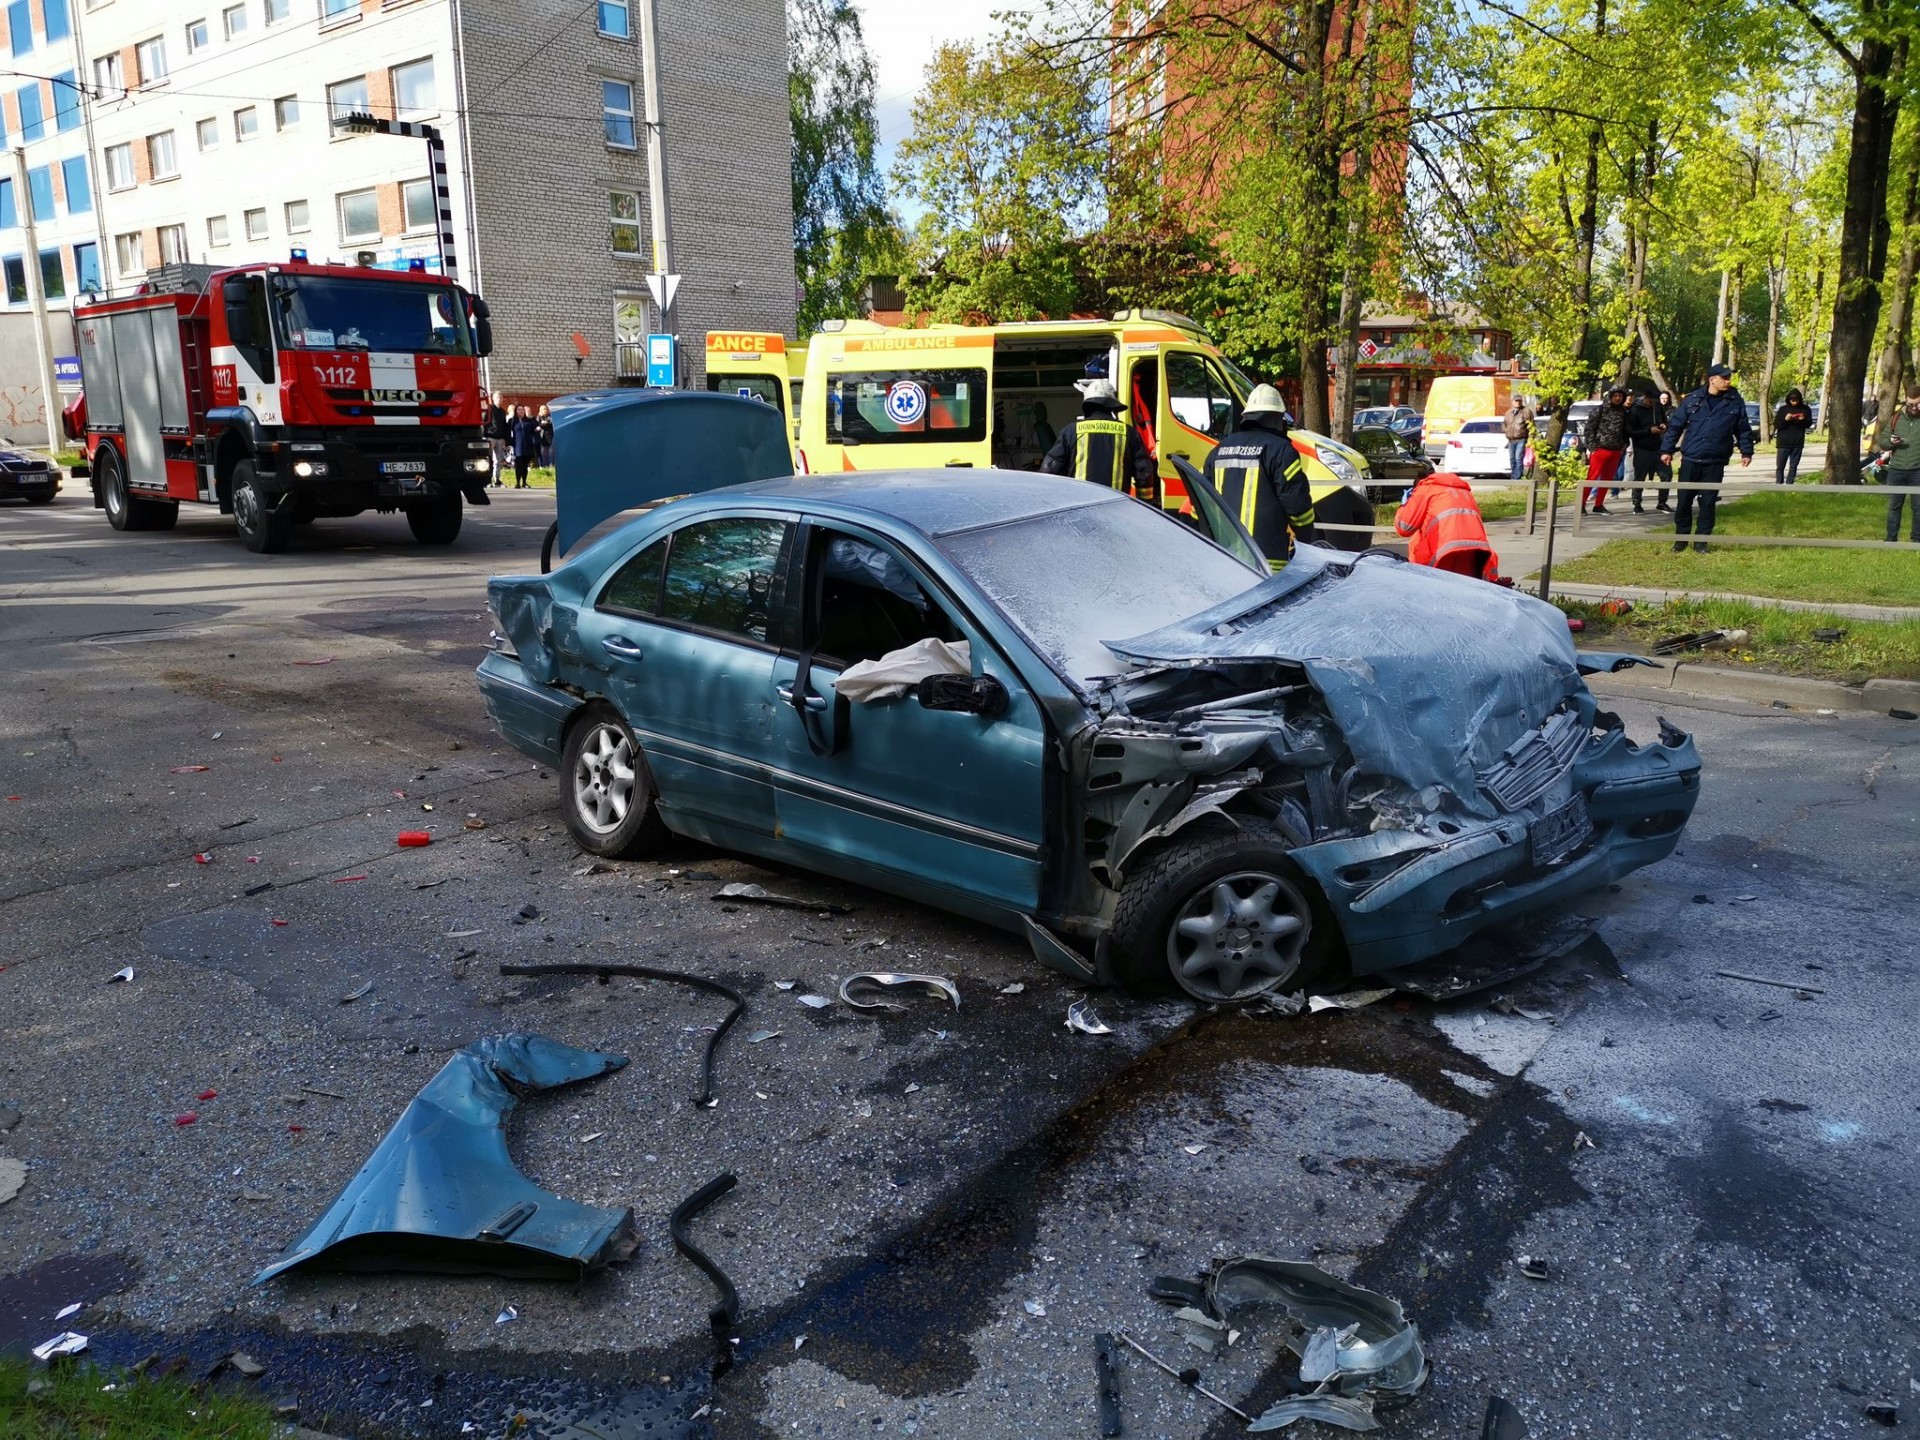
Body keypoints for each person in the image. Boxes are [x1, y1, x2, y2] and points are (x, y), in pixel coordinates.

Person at [1203, 384, 1317, 569]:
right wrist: (1307, 541)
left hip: (1224, 563)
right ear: (1278, 418)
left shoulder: (1219, 450)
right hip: (1267, 566)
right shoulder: (1281, 451)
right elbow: (1299, 509)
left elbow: (1200, 507)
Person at [1661, 364, 1755, 552]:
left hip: (1715, 460)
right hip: (1691, 458)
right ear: (1712, 379)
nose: (1728, 381)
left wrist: (1746, 452)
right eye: (1724, 378)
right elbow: (1675, 426)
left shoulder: (1735, 401)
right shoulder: (1692, 399)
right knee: (1684, 501)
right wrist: (1667, 450)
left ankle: (1701, 542)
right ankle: (1680, 540)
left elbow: (1743, 429)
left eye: (1729, 378)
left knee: (1708, 502)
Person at [1041, 379, 1159, 504]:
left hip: (1080, 509)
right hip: (1117, 509)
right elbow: (1144, 472)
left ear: (1087, 405)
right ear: (1112, 406)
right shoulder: (1128, 433)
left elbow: (1049, 470)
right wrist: (1145, 504)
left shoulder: (1070, 432)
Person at [1394, 469, 1503, 582]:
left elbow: (1404, 527)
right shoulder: (1463, 491)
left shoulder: (1424, 488)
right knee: (1463, 590)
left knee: (1440, 592)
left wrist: (1405, 505)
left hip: (1443, 551)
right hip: (1475, 552)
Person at [1877, 382, 1920, 543]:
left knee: (1918, 508)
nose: (1914, 408)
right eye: (1910, 404)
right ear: (1906, 402)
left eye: (1918, 404)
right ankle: (1891, 539)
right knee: (1894, 507)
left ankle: (1916, 540)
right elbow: (1882, 440)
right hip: (1896, 470)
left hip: (1918, 470)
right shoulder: (1896, 417)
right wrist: (1891, 441)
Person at [1581, 386, 1631, 514]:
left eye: (1620, 396)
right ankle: (1581, 504)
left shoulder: (1623, 412)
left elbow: (1625, 431)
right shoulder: (1599, 410)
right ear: (1610, 396)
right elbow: (1589, 430)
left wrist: (1623, 445)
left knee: (1607, 479)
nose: (1618, 398)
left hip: (1615, 450)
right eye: (1616, 396)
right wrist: (1592, 447)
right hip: (1600, 449)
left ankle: (1599, 505)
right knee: (1592, 478)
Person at [1627, 390, 1669, 513]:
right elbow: (1630, 432)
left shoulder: (1658, 408)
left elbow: (1665, 421)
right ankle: (1637, 504)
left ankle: (1662, 502)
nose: (1652, 403)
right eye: (1650, 401)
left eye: (1654, 401)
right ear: (1645, 398)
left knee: (1666, 475)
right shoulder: (1635, 410)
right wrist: (1648, 431)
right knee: (1640, 477)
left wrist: (1664, 426)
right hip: (1642, 448)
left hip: (1658, 447)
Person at [1773, 389, 1812, 485]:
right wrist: (1785, 419)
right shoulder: (1783, 409)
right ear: (1788, 399)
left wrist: (1802, 420)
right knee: (1780, 466)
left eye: (1796, 399)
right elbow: (1777, 425)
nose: (1794, 401)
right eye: (1792, 399)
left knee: (1793, 466)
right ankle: (1779, 484)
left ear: (1799, 399)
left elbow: (1808, 424)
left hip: (1797, 443)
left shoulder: (1805, 409)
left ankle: (1790, 484)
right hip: (1783, 443)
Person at [1501, 395, 1534, 484]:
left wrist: (1531, 438)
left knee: (1518, 458)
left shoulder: (1526, 411)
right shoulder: (1508, 412)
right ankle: (1514, 475)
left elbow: (1531, 426)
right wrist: (1506, 430)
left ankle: (1517, 478)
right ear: (1512, 402)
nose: (1518, 402)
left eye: (1519, 401)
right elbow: (1504, 424)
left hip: (1521, 438)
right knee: (1512, 459)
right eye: (1516, 401)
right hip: (1511, 439)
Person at [508, 404, 540, 488]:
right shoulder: (512, 421)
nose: (521, 411)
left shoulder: (528, 421)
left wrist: (537, 428)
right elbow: (508, 433)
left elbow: (535, 429)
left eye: (522, 410)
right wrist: (509, 443)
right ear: (516, 411)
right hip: (518, 445)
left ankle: (524, 482)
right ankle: (518, 482)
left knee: (525, 464)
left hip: (528, 445)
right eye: (519, 409)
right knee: (519, 464)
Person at [484, 391, 510, 487]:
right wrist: (485, 436)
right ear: (493, 399)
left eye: (501, 398)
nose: (499, 399)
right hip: (490, 437)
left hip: (500, 439)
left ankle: (497, 480)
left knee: (498, 460)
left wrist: (505, 439)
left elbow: (504, 426)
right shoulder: (489, 409)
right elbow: (484, 422)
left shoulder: (503, 411)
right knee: (489, 459)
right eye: (497, 397)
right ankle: (488, 480)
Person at [536, 403, 555, 470]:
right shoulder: (538, 417)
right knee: (543, 452)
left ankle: (551, 465)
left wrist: (544, 423)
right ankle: (543, 466)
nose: (545, 410)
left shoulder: (550, 417)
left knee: (551, 452)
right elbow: (538, 426)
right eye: (544, 409)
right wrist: (544, 424)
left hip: (550, 436)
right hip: (542, 436)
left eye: (546, 409)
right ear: (541, 410)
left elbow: (551, 424)